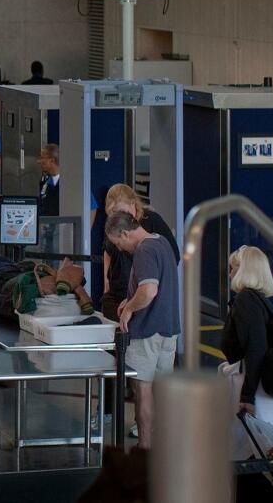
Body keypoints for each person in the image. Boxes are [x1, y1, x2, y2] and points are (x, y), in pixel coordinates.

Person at [105, 211, 181, 450]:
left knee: (143, 390)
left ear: (125, 233)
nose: (121, 249)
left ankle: (145, 446)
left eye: (119, 243)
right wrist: (129, 300)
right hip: (168, 329)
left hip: (147, 330)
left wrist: (129, 310)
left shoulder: (144, 250)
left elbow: (149, 291)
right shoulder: (162, 242)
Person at [221, 246, 273, 420]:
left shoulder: (246, 300)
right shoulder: (261, 301)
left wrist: (247, 397)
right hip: (270, 392)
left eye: (233, 268)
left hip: (256, 390)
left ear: (243, 270)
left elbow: (255, 348)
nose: (229, 275)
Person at [101, 184, 179, 321]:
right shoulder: (114, 226)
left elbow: (173, 256)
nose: (119, 218)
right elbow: (107, 251)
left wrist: (151, 288)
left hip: (143, 288)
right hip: (119, 289)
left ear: (133, 204)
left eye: (122, 212)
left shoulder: (151, 225)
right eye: (114, 214)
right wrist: (106, 283)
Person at [37, 143, 61, 217]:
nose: (39, 161)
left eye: (42, 158)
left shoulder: (69, 181)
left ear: (52, 161)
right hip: (48, 227)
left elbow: (92, 207)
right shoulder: (44, 182)